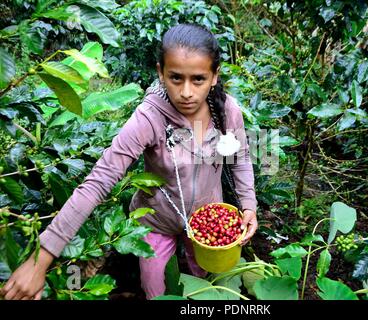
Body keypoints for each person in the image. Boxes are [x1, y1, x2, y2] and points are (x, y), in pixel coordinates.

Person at [0, 23, 258, 300]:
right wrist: (42, 258)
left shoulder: (226, 110)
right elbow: (97, 183)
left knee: (201, 282)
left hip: (204, 219)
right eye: (175, 78)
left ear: (214, 76)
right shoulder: (148, 118)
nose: (186, 92)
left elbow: (240, 157)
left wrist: (249, 206)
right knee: (154, 289)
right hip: (157, 220)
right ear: (160, 72)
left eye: (198, 79)